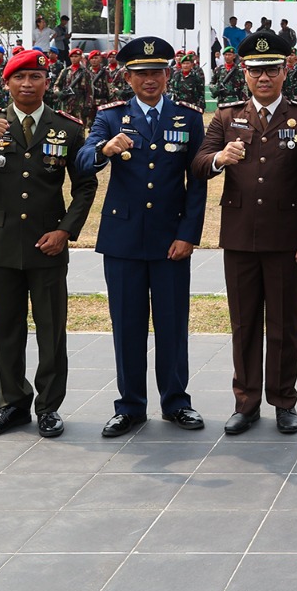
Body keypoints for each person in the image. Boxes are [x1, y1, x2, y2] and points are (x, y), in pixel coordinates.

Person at [0, 49, 98, 438]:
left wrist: (65, 231)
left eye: (35, 77)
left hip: (47, 243)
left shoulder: (66, 127)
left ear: (47, 82)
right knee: (6, 328)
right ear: (7, 83)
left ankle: (48, 406)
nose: (27, 84)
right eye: (19, 78)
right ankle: (12, 405)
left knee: (52, 329)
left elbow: (84, 186)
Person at [192, 31, 297, 435]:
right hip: (239, 237)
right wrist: (220, 157)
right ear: (244, 74)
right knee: (244, 323)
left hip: (287, 240)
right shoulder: (225, 117)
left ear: (285, 72)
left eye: (271, 70)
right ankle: (246, 402)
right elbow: (199, 163)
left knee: (285, 324)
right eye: (256, 71)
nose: (263, 78)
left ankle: (284, 400)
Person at [75, 37, 209, 436]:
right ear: (127, 77)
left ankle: (176, 402)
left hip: (171, 239)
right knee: (127, 324)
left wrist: (189, 234)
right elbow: (83, 162)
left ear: (168, 74)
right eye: (141, 74)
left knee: (172, 323)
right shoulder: (110, 117)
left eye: (157, 72)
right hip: (124, 239)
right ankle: (130, 405)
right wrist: (104, 149)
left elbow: (197, 180)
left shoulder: (188, 117)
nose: (149, 80)